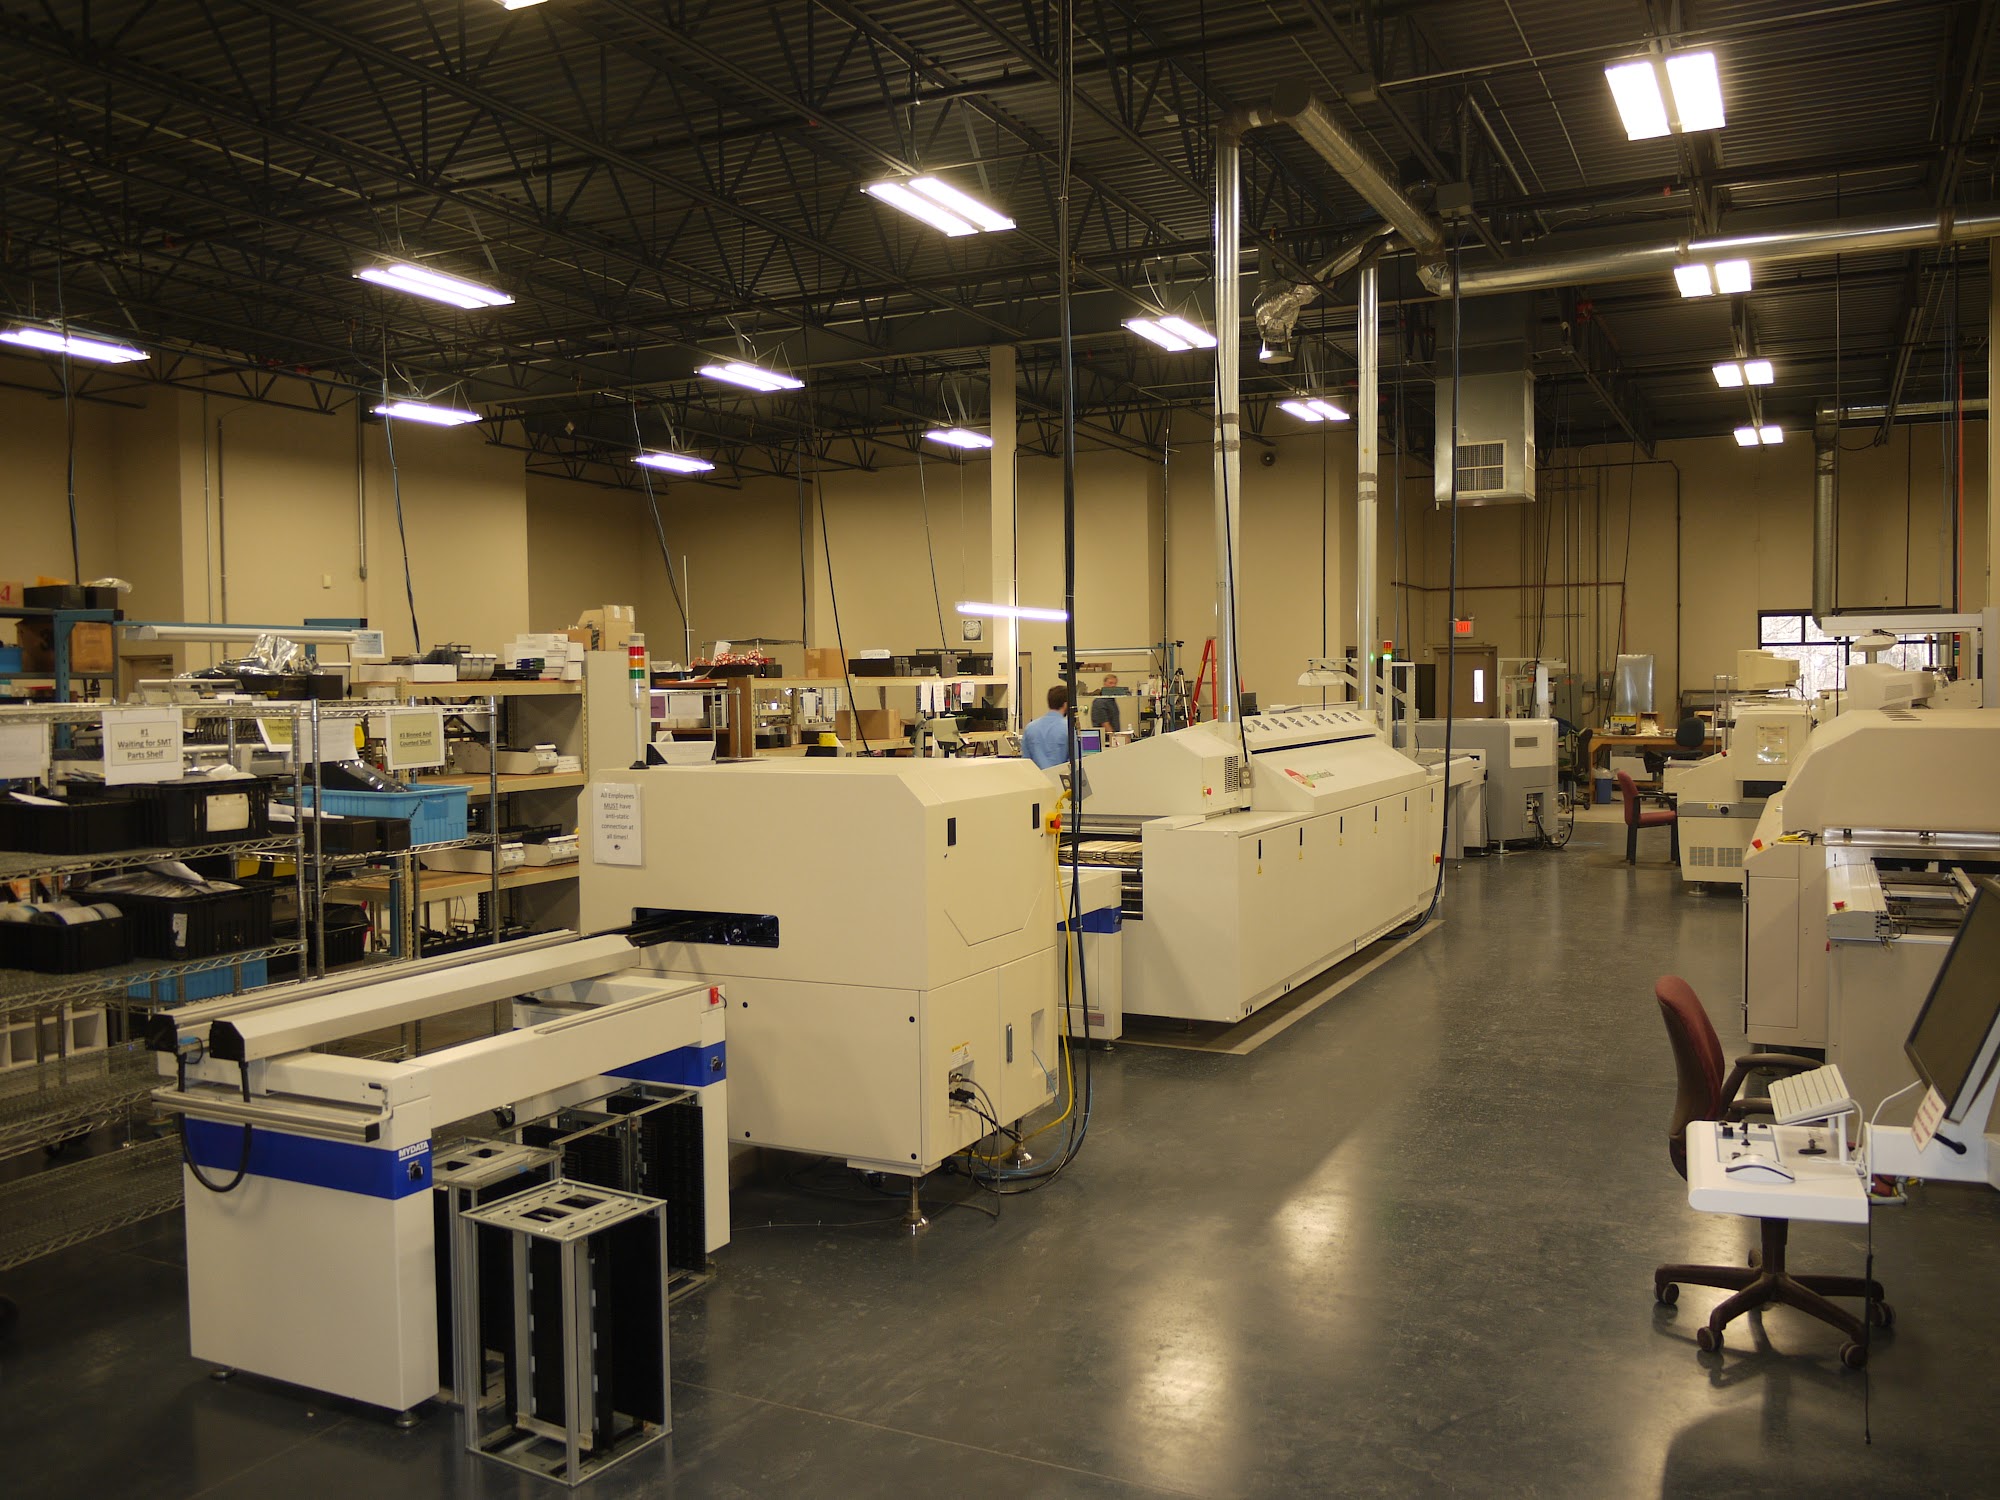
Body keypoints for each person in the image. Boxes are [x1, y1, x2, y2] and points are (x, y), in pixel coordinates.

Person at [1020, 684, 1076, 769]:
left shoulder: (1030, 728)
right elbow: (1075, 763)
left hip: (1036, 776)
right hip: (1059, 776)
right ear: (1065, 705)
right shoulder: (1068, 728)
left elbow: (1025, 762)